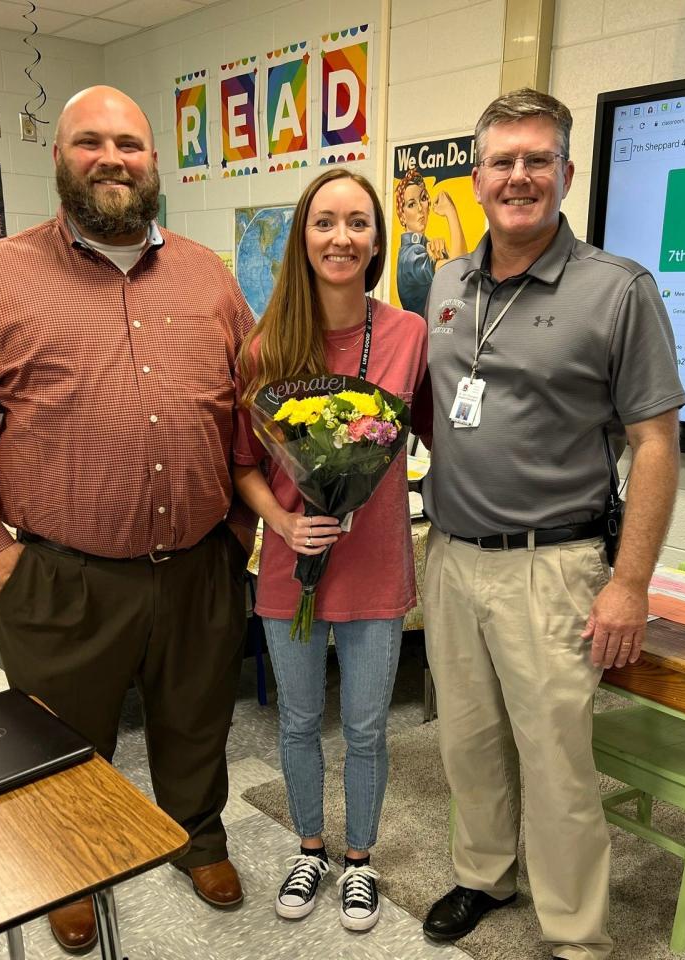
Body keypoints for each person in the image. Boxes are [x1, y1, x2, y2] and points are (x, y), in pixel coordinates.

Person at [0, 86, 255, 954]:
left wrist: (239, 535)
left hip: (196, 568)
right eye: (89, 143)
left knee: (197, 719)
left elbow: (252, 411)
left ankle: (198, 836)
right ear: (60, 158)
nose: (112, 158)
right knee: (60, 736)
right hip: (60, 575)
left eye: (130, 144)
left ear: (154, 160)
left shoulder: (210, 276)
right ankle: (65, 868)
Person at [417, 89, 685, 960]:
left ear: (566, 173)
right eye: (502, 161)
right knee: (468, 742)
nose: (520, 176)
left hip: (553, 567)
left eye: (538, 160)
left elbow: (654, 444)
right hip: (452, 555)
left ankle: (575, 935)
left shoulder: (618, 291)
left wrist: (630, 583)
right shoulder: (448, 282)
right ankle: (485, 875)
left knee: (559, 768)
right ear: (479, 175)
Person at [233, 168, 427, 931]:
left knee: (372, 726)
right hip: (291, 564)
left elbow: (434, 434)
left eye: (357, 222)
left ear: (378, 240)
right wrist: (282, 526)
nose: (340, 237)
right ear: (301, 239)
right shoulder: (264, 343)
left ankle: (359, 861)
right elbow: (244, 465)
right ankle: (309, 847)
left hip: (376, 561)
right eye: (324, 222)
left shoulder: (409, 336)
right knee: (298, 719)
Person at [394, 165, 467, 315]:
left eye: (423, 199)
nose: (420, 208)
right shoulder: (411, 256)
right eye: (411, 204)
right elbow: (459, 273)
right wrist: (450, 212)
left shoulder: (424, 247)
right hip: (426, 334)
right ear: (402, 215)